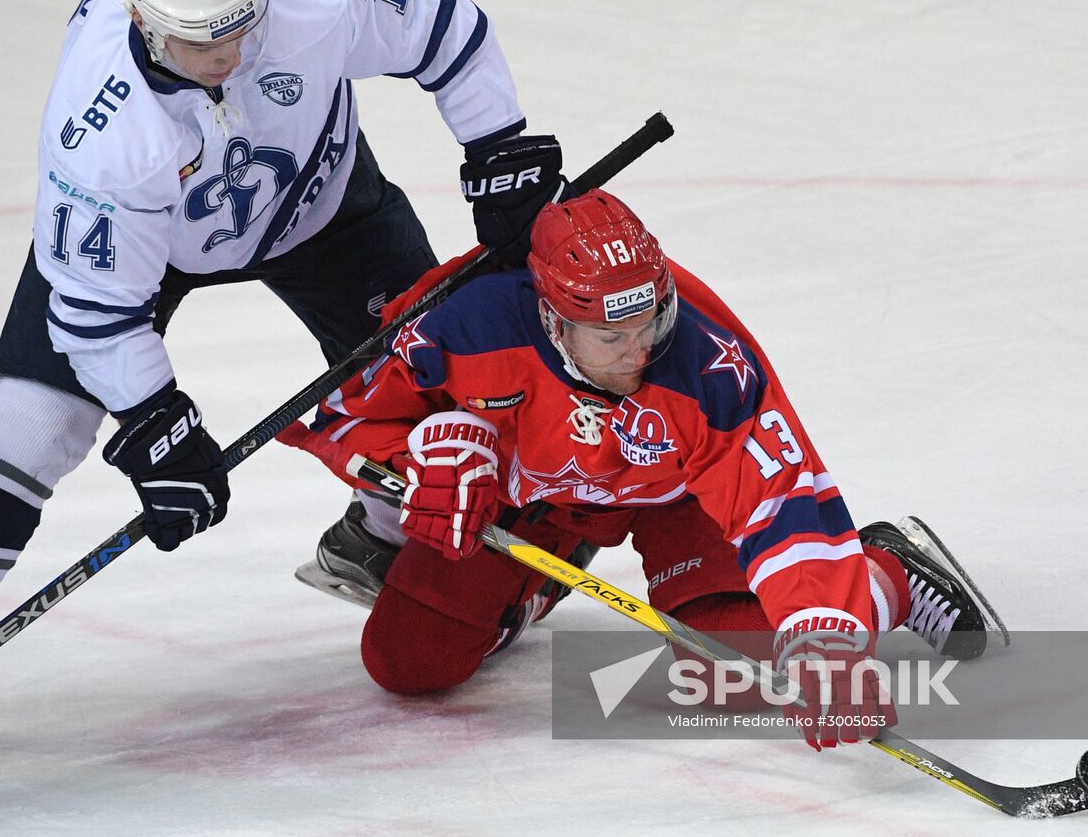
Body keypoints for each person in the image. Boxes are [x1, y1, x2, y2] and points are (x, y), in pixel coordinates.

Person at [0, 0, 571, 755]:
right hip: (150, 252)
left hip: (324, 205)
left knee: (437, 374)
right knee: (25, 420)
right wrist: (157, 422)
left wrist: (497, 149)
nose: (230, 55)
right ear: (144, 22)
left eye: (241, 26)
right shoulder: (100, 131)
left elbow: (444, 27)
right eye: (203, 41)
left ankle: (379, 541)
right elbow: (96, 312)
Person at [279, 190, 1006, 750]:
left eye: (652, 321)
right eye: (612, 335)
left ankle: (891, 572)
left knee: (729, 673)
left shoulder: (708, 364)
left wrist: (826, 634)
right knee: (406, 659)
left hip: (677, 496)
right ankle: (537, 577)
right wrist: (432, 453)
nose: (639, 351)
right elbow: (344, 414)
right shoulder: (463, 323)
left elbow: (782, 503)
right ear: (552, 318)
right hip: (542, 494)